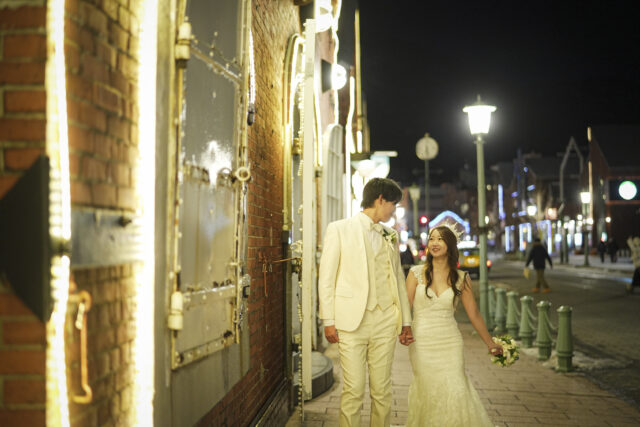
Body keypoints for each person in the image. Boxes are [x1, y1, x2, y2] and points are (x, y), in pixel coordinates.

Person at [318, 178, 413, 426]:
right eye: (393, 204)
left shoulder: (390, 235)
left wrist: (406, 321)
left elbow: (398, 280)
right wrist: (328, 320)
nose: (393, 210)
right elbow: (326, 279)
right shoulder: (339, 229)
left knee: (382, 390)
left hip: (385, 320)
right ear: (380, 199)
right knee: (354, 389)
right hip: (351, 322)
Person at [405, 225, 502, 427]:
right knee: (427, 388)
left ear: (450, 245)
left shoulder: (461, 278)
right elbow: (405, 308)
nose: (435, 243)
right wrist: (402, 330)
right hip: (422, 342)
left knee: (456, 386)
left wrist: (490, 343)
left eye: (440, 239)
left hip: (450, 342)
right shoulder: (415, 274)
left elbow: (474, 314)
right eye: (432, 239)